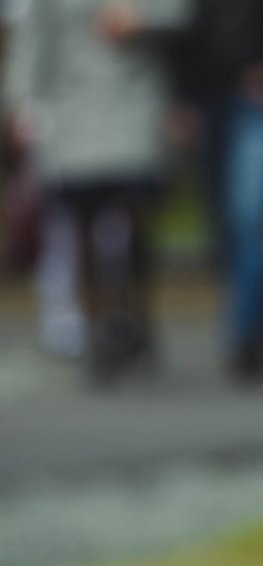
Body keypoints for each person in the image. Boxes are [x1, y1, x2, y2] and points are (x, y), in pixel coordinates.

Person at [4, 0, 189, 382]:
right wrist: (21, 104)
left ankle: (137, 316)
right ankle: (99, 330)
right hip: (75, 105)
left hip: (135, 99)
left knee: (135, 211)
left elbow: (180, 14)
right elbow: (36, 38)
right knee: (83, 221)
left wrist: (142, 19)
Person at [169, 0, 263, 380]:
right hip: (206, 99)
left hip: (259, 99)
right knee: (224, 225)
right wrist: (180, 99)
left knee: (251, 214)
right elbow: (178, 32)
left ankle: (247, 334)